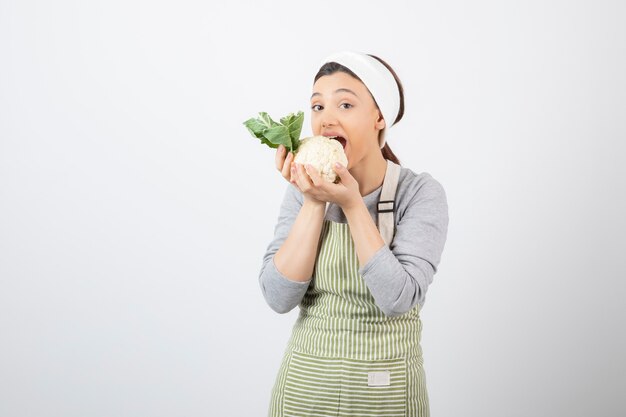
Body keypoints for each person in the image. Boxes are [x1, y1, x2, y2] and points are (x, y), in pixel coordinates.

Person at [258, 51, 449, 417]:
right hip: (304, 391)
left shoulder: (419, 193)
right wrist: (314, 201)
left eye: (345, 104)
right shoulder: (302, 189)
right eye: (317, 107)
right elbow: (278, 297)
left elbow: (398, 298)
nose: (326, 118)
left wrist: (352, 205)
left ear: (379, 117)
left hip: (387, 393)